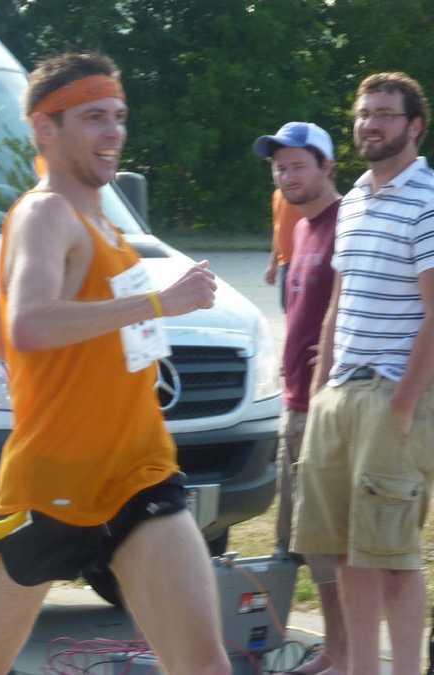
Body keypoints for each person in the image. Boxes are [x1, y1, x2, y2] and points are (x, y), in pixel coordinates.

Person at [0, 51, 228, 675]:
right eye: (93, 117)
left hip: (137, 474)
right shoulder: (45, 214)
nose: (113, 132)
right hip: (52, 487)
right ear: (45, 128)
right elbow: (27, 326)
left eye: (118, 116)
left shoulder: (102, 226)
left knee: (203, 666)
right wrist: (159, 302)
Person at [293, 72, 434, 675]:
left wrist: (403, 405)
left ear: (414, 127)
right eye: (362, 114)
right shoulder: (351, 200)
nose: (370, 124)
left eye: (384, 114)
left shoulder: (428, 202)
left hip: (393, 395)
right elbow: (337, 305)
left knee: (393, 554)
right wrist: (323, 389)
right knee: (345, 552)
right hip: (341, 393)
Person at [251, 121, 346, 675]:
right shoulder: (304, 228)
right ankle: (340, 649)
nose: (287, 176)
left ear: (327, 168)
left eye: (298, 166)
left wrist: (334, 367)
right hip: (296, 399)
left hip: (325, 405)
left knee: (326, 540)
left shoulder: (344, 224)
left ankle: (343, 652)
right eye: (279, 167)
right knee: (311, 540)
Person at [266, 187, 305, 312]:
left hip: (303, 262)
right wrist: (273, 264)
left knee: (303, 309)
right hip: (285, 262)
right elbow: (277, 229)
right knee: (286, 306)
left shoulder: (302, 194)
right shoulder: (277, 194)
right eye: (278, 168)